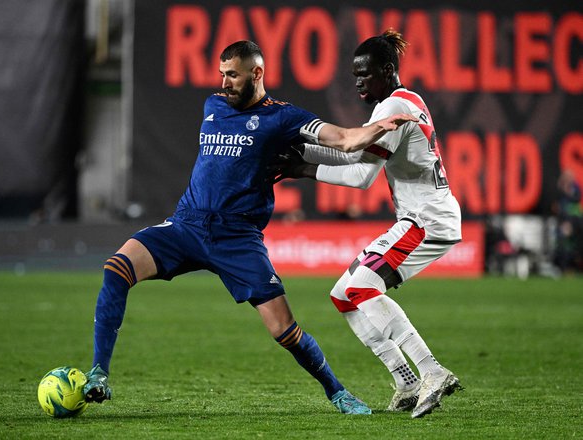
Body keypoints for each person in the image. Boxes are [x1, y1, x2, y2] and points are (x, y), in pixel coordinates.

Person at [83, 40, 416, 415]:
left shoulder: (284, 118)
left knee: (285, 331)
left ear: (257, 74)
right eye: (222, 74)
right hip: (187, 224)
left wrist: (378, 128)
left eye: (233, 75)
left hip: (238, 237)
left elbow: (343, 139)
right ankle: (99, 373)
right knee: (117, 268)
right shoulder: (213, 106)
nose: (224, 83)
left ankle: (337, 392)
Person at [271, 29, 463, 418]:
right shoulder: (407, 100)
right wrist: (305, 151)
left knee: (360, 288)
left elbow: (361, 177)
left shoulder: (391, 108)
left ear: (388, 70)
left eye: (365, 73)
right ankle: (406, 380)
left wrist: (304, 168)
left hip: (425, 219)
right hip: (428, 216)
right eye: (354, 74)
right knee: (345, 294)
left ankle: (431, 371)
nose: (358, 81)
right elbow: (357, 153)